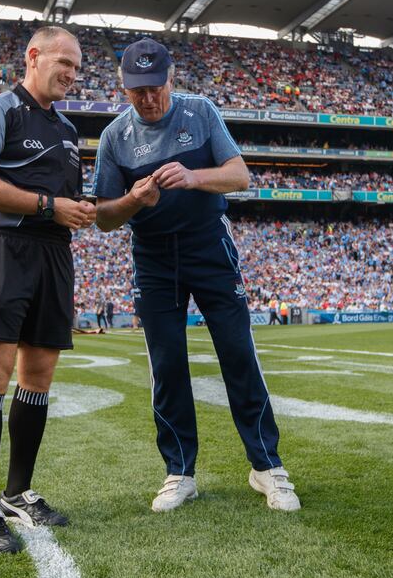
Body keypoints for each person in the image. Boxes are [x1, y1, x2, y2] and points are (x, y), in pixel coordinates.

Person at [93, 38, 300, 514]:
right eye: (136, 91)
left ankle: (267, 466)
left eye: (155, 87)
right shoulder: (114, 138)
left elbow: (240, 175)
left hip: (209, 245)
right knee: (166, 366)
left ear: (171, 78)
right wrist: (133, 201)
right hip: (153, 256)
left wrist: (192, 176)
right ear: (124, 89)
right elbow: (104, 216)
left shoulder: (201, 111)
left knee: (237, 353)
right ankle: (180, 472)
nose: (147, 98)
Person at [0, 26, 95, 555]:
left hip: (55, 254)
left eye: (78, 68)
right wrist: (46, 206)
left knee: (39, 376)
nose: (72, 75)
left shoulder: (66, 129)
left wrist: (101, 206)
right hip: (3, 249)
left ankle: (18, 490)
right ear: (33, 57)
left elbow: (69, 204)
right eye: (65, 62)